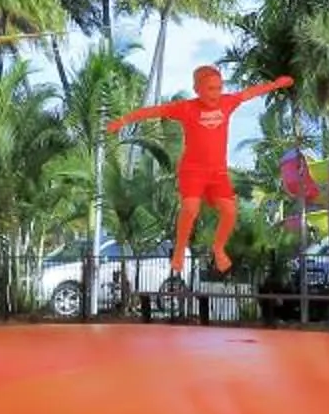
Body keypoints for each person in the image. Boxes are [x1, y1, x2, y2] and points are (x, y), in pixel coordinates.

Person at [105, 66, 293, 276]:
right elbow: (152, 111)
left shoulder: (227, 103)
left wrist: (276, 85)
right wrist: (122, 121)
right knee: (191, 209)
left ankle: (219, 248)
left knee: (230, 211)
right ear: (197, 89)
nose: (216, 94)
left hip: (218, 173)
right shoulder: (186, 108)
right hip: (193, 171)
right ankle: (178, 251)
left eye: (219, 88)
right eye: (211, 89)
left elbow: (249, 93)